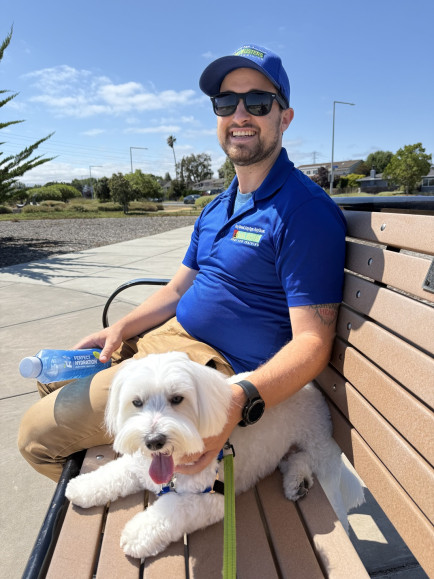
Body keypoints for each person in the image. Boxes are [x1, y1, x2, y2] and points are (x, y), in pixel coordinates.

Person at [18, 44, 346, 482]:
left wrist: (237, 399)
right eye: (227, 102)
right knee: (50, 379)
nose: (241, 114)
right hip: (163, 341)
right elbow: (176, 291)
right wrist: (121, 330)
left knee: (34, 436)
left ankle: (148, 486)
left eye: (258, 101)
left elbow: (313, 345)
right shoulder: (217, 206)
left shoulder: (304, 212)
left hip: (201, 371)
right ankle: (148, 465)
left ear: (284, 118)